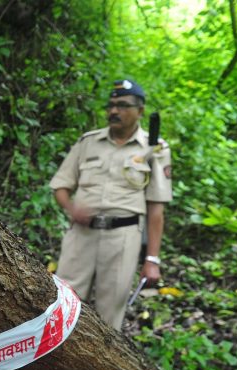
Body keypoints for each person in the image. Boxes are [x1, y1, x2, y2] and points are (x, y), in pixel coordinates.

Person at [49, 78, 172, 330]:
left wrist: (152, 259)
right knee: (63, 301)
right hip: (81, 234)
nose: (114, 111)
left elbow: (156, 208)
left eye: (123, 105)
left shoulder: (154, 148)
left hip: (123, 236)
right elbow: (60, 185)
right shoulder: (88, 142)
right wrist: (72, 209)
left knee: (110, 313)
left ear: (140, 111)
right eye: (111, 105)